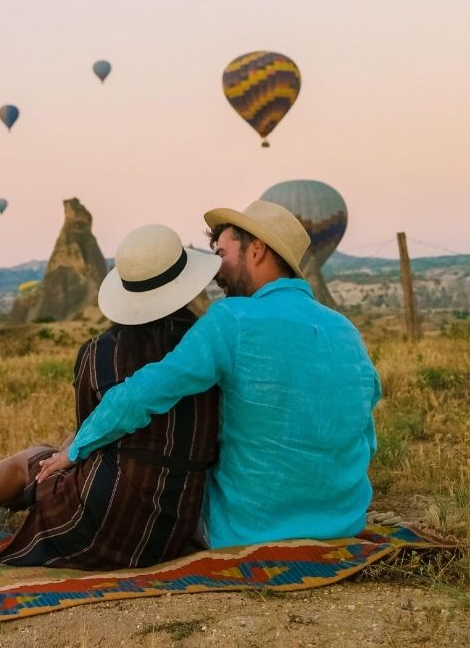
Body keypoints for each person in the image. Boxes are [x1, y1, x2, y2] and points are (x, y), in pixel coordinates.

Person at [37, 200, 382, 549]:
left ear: (257, 249)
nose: (217, 269)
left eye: (222, 252)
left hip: (248, 530)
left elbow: (146, 390)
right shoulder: (346, 330)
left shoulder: (232, 318)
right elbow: (366, 437)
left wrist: (75, 449)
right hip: (343, 523)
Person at [0, 224, 223, 569]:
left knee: (37, 459)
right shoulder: (210, 348)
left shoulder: (101, 352)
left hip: (100, 523)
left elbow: (90, 428)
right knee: (55, 458)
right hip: (173, 524)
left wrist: (60, 456)